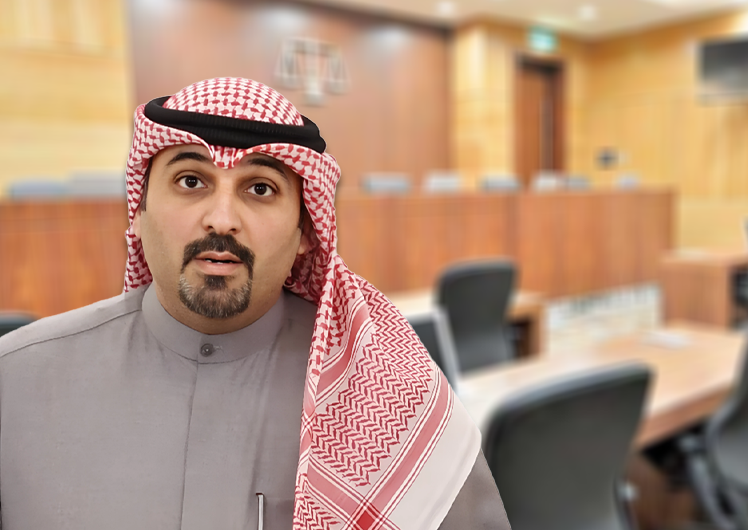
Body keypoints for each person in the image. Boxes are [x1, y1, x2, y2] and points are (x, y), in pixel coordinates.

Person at [0, 78, 510, 530]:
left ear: (306, 231)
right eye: (191, 181)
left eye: (260, 188)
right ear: (139, 210)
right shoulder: (15, 382)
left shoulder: (390, 391)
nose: (222, 219)